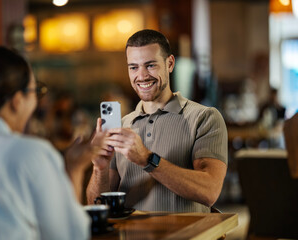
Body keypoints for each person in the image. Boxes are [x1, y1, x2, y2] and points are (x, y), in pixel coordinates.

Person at [0, 46, 105, 239]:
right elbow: (70, 235)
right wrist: (74, 170)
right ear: (17, 100)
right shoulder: (31, 154)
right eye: (36, 91)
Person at [87, 29, 228, 213]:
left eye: (150, 65)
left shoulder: (205, 118)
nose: (142, 75)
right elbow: (98, 208)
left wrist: (147, 159)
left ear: (169, 63)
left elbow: (210, 191)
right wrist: (99, 168)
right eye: (133, 67)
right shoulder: (120, 127)